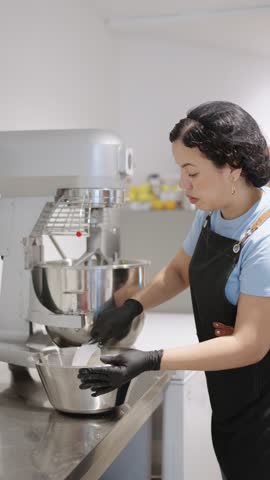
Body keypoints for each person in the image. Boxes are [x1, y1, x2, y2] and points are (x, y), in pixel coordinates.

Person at [78, 101, 270, 480]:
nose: (183, 184)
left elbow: (250, 343)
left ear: (232, 167)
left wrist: (149, 359)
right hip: (231, 399)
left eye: (192, 171)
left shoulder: (263, 241)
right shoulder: (211, 214)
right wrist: (133, 306)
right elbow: (180, 272)